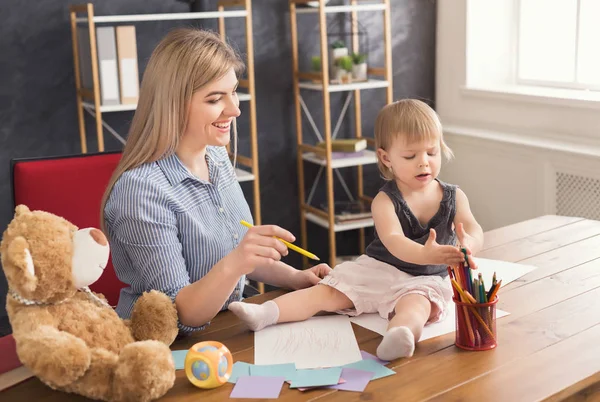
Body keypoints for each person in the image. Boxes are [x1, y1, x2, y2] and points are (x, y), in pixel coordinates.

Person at [101, 28, 331, 334]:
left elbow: (234, 252)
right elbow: (180, 314)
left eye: (234, 91)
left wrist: (295, 278)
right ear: (174, 103)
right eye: (215, 99)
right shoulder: (141, 192)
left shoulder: (217, 156)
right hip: (160, 349)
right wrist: (238, 261)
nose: (235, 109)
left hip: (226, 325)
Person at [228, 99, 484, 361]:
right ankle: (265, 314)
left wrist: (468, 245)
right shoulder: (384, 201)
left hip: (424, 279)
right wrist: (426, 253)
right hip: (378, 270)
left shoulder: (454, 196)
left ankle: (399, 336)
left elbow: (474, 228)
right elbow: (394, 241)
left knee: (417, 307)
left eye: (432, 152)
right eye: (410, 156)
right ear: (386, 158)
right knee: (326, 293)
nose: (424, 163)